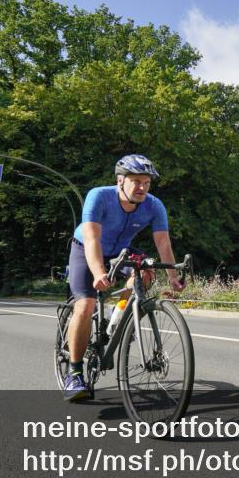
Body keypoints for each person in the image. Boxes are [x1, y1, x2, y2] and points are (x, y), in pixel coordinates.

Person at [63, 154, 184, 402]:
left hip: (121, 253)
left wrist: (173, 277)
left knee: (147, 273)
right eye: (136, 181)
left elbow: (162, 242)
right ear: (120, 181)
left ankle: (117, 318)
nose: (142, 187)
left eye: (146, 182)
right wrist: (98, 273)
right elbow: (93, 239)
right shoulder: (99, 196)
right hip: (85, 249)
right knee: (85, 306)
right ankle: (74, 373)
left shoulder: (154, 205)